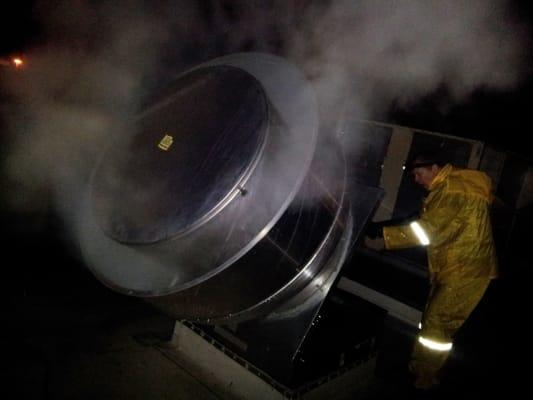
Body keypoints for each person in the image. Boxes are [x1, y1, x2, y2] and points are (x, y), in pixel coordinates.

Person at [365, 151, 498, 390]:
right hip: (459, 265)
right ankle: (422, 368)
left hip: (465, 268)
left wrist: (383, 234)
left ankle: (424, 377)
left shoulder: (451, 190)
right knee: (434, 319)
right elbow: (428, 218)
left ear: (435, 167)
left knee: (437, 323)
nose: (416, 180)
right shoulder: (454, 184)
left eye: (418, 173)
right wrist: (386, 226)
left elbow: (427, 230)